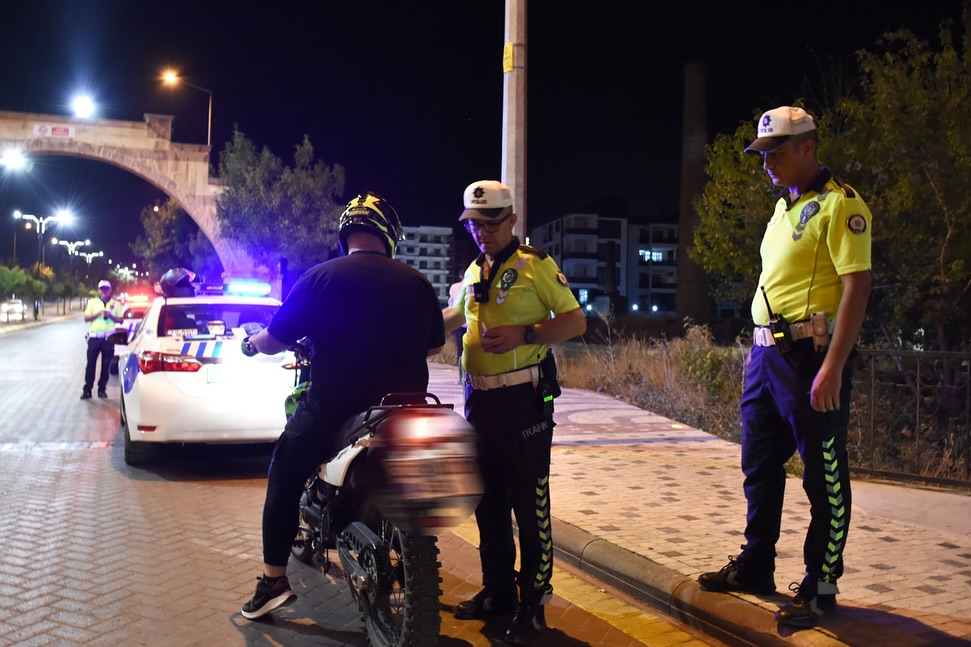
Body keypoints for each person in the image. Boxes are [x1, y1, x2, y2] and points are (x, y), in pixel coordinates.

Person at [696, 106, 872, 628]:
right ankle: (756, 565)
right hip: (765, 356)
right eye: (762, 154)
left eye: (775, 152)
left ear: (808, 148)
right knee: (759, 464)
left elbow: (856, 287)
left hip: (809, 356)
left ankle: (822, 584)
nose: (766, 162)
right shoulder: (782, 208)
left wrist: (834, 366)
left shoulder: (841, 205)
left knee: (824, 475)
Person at [239, 192, 445, 620]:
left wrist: (252, 343)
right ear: (389, 235)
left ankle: (273, 580)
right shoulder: (417, 281)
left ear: (346, 233)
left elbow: (274, 339)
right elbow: (433, 345)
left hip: (335, 406)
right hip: (407, 409)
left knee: (284, 468)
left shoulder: (319, 278)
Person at [443, 180, 586, 645]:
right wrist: (413, 322)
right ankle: (498, 591)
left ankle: (533, 604)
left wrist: (526, 335)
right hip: (480, 402)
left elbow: (574, 320)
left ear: (511, 221)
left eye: (488, 224)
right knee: (487, 501)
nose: (480, 233)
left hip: (523, 402)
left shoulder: (535, 265)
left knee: (530, 503)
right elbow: (455, 317)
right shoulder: (474, 269)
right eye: (473, 225)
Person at [81, 279, 124, 399]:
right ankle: (87, 390)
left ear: (110, 290)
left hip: (109, 338)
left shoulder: (116, 304)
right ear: (99, 290)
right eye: (102, 289)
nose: (104, 291)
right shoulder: (92, 302)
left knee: (106, 365)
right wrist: (98, 313)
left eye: (106, 289)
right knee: (91, 364)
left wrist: (111, 316)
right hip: (94, 338)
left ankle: (101, 390)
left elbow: (121, 320)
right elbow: (86, 318)